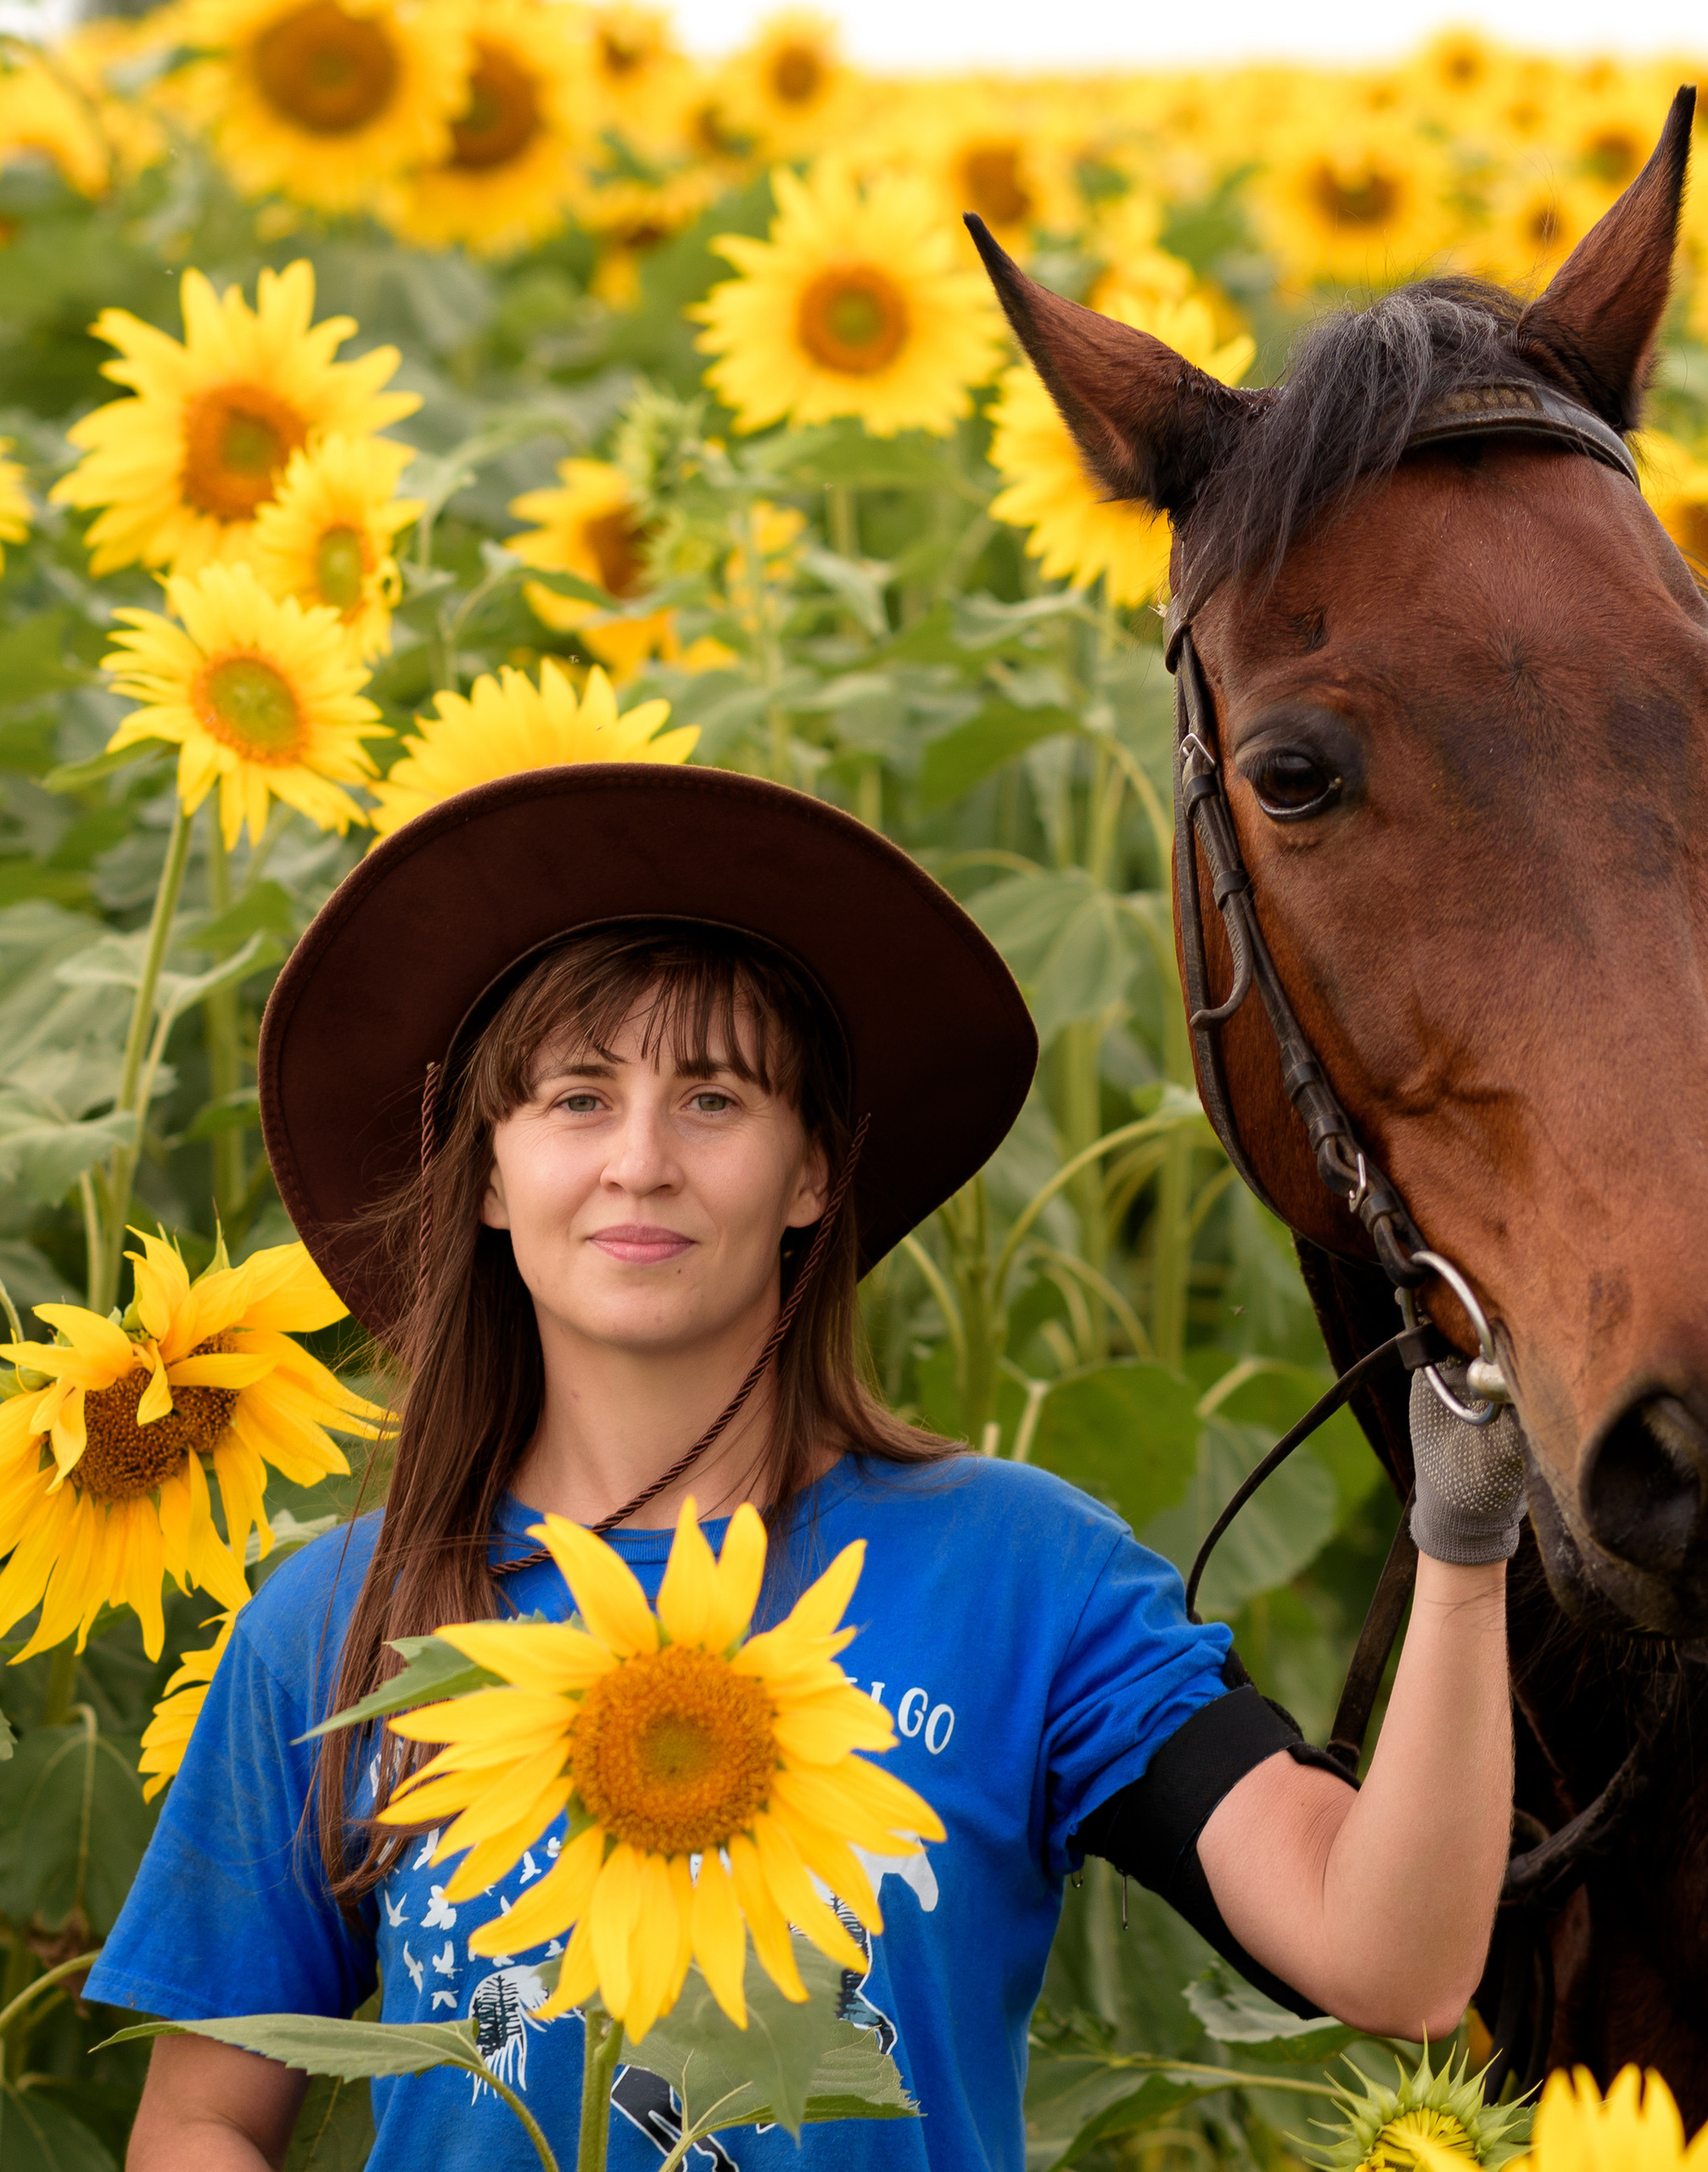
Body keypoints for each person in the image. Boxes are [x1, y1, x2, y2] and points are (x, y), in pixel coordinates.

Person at [89, 763, 1521, 2172]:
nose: (639, 1162)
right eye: (577, 1100)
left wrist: (1463, 1548)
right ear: (486, 1173)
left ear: (815, 1171)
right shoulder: (343, 1622)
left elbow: (1386, 1962)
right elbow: (206, 2116)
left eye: (712, 1100)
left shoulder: (1022, 1576)